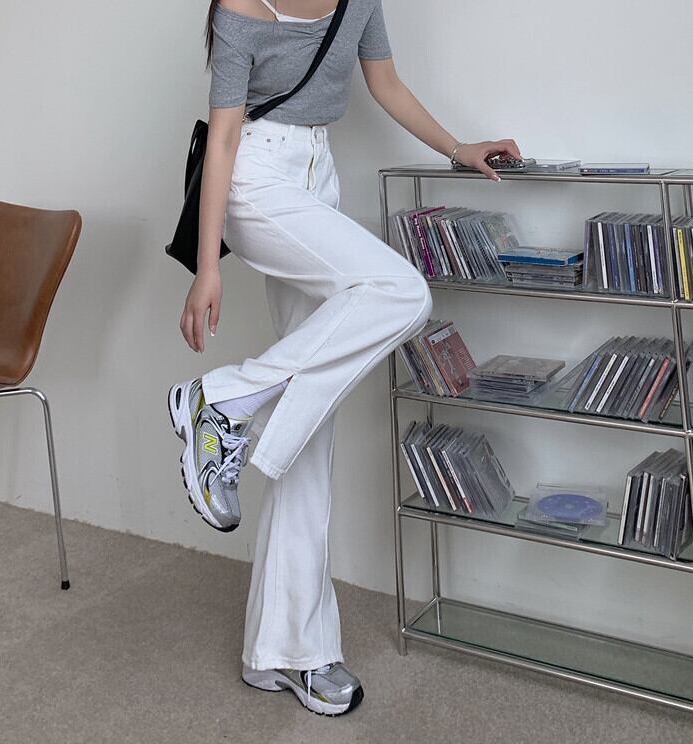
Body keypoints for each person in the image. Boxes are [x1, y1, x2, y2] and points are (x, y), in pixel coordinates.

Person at [167, 0, 522, 717]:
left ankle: (284, 651)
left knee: (309, 423)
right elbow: (225, 137)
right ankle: (223, 399)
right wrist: (207, 268)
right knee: (402, 291)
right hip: (258, 180)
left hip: (317, 178)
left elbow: (384, 82)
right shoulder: (240, 6)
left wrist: (457, 149)